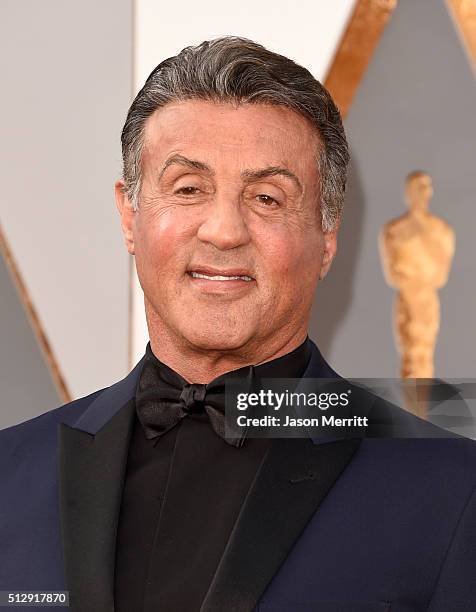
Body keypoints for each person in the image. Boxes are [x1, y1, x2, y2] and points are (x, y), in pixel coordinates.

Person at [1, 37, 475, 612]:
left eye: (267, 198)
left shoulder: (451, 490)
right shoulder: (10, 474)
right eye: (189, 189)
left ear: (327, 238)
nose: (224, 231)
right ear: (130, 216)